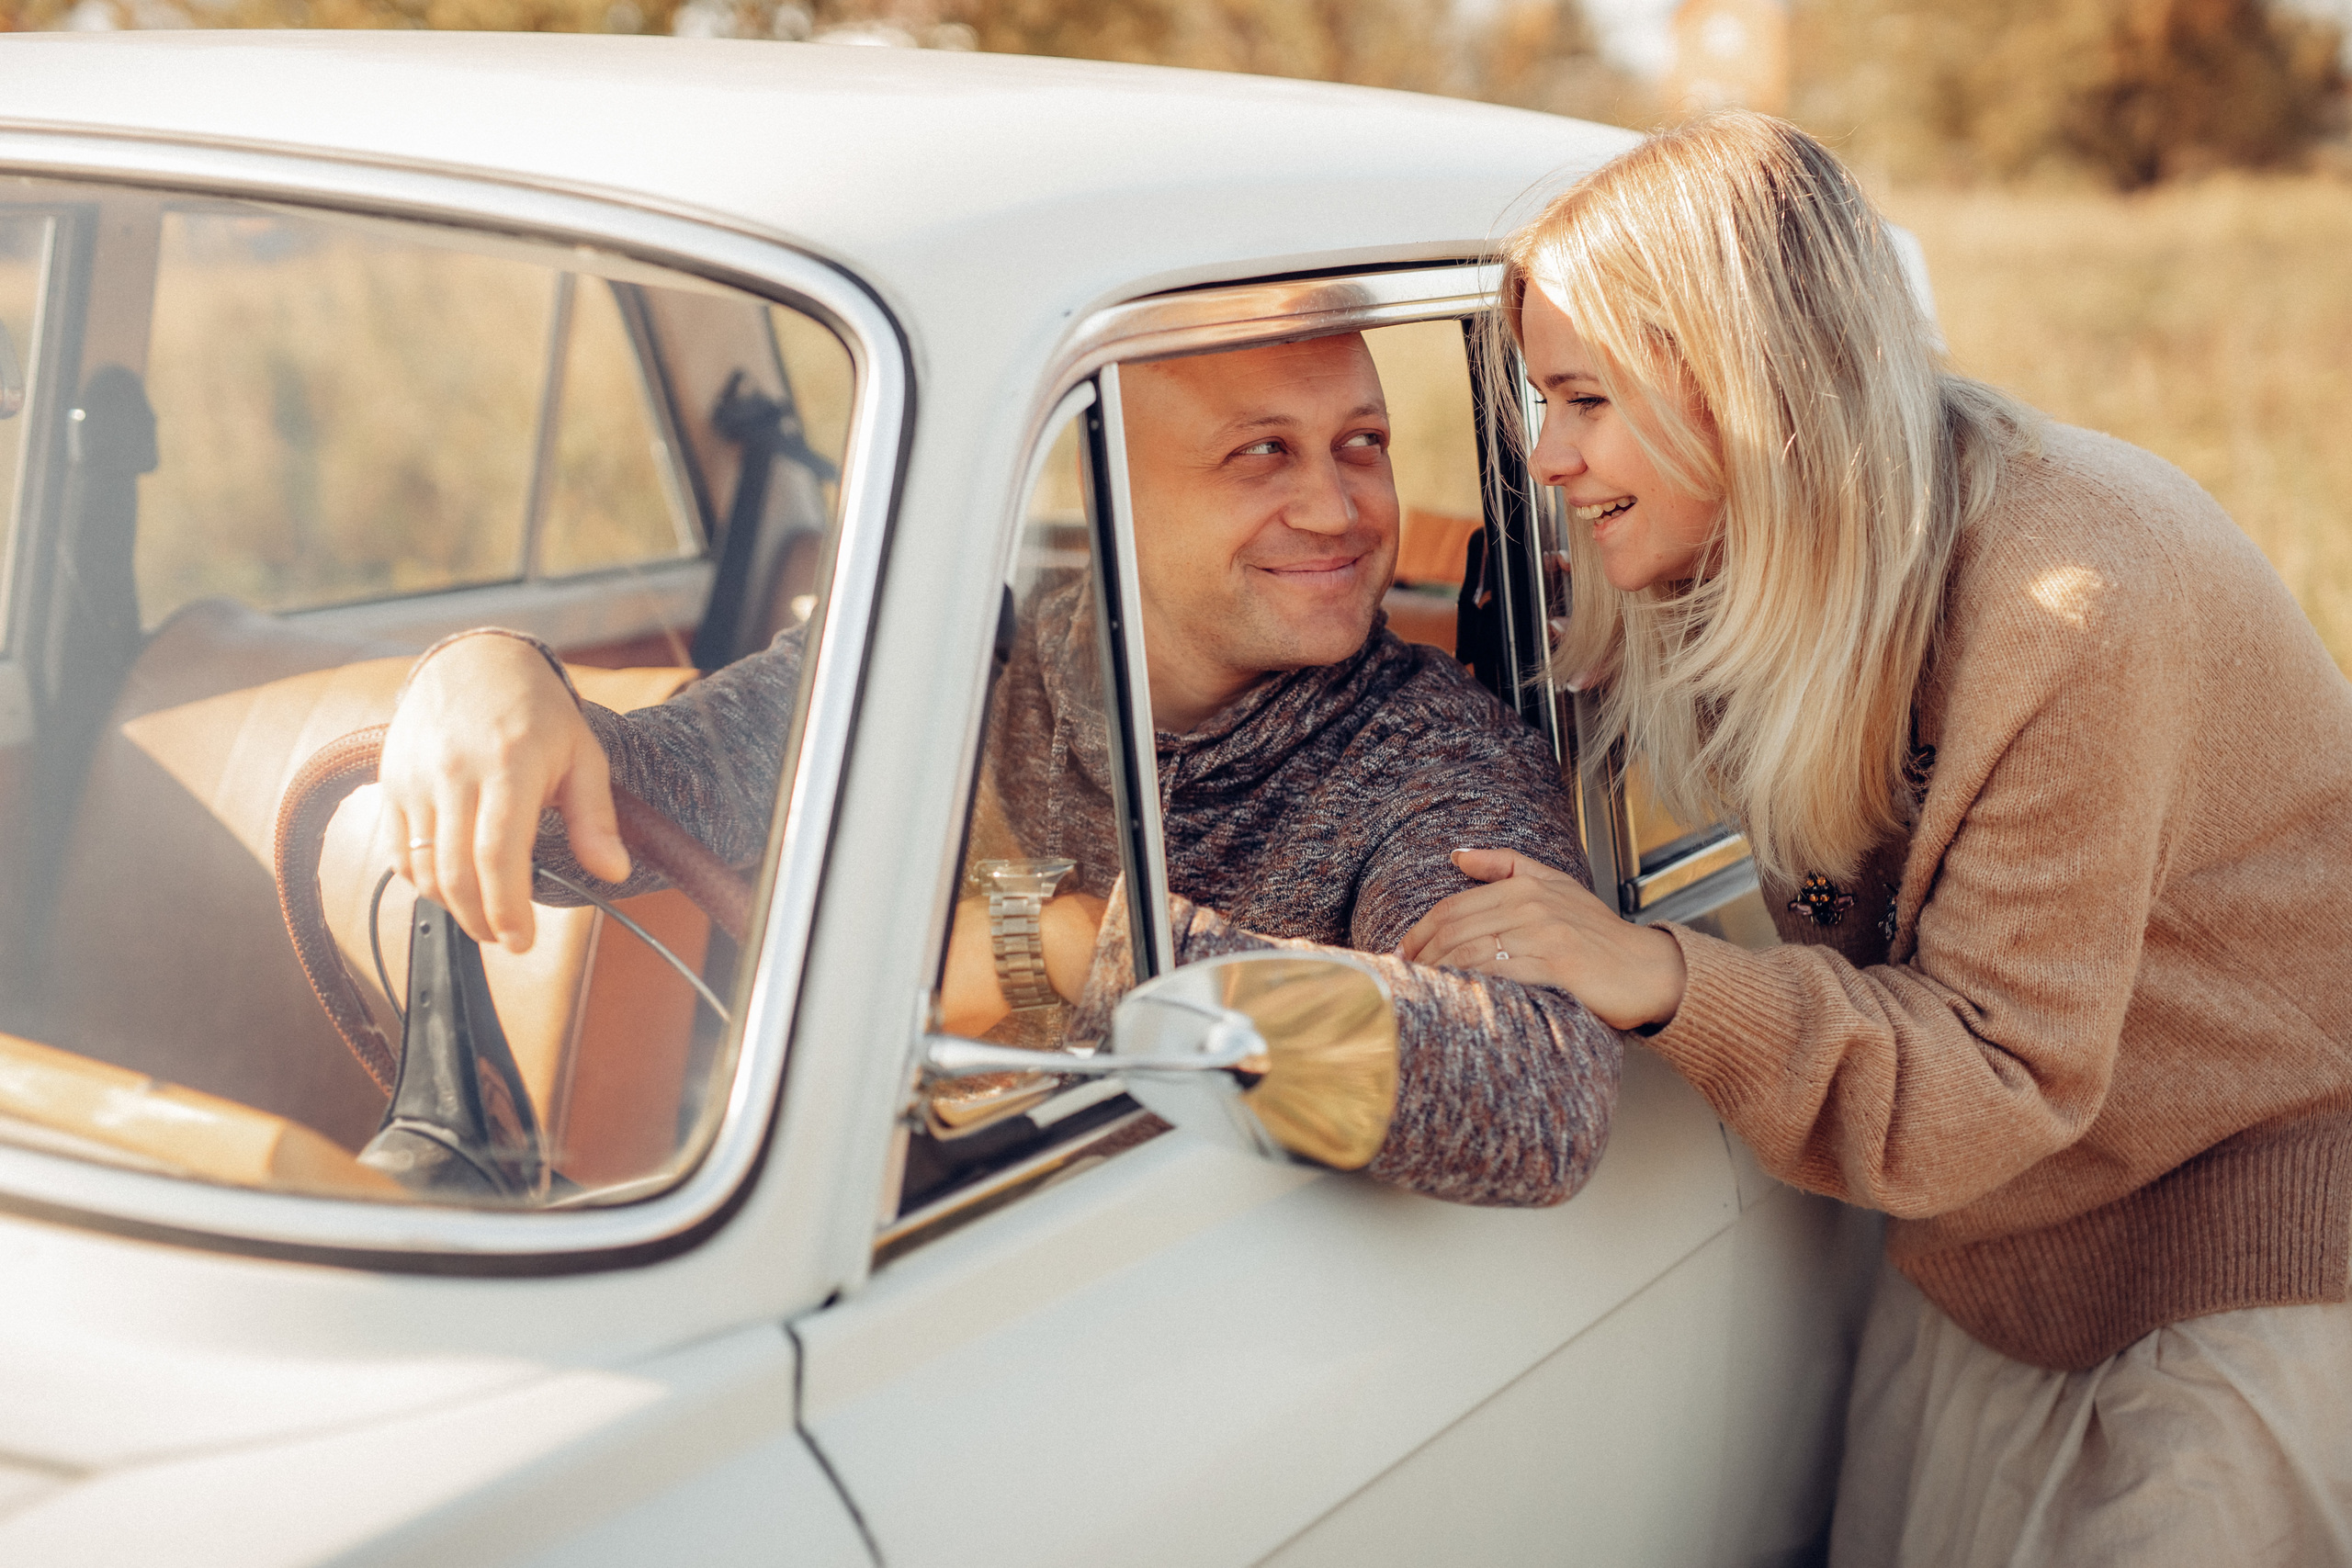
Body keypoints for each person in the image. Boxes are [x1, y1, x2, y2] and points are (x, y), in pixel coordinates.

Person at [1400, 112, 2352, 1564]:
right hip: (1991, 1244)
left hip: (2246, 1231)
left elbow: (1999, 1065)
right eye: (1539, 400)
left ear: (1736, 385)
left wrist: (1660, 975)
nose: (1545, 456)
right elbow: (1519, 639)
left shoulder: (2072, 603)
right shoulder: (1753, 560)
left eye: (1581, 398)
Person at [379, 332, 1619, 1207]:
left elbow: (1542, 1100)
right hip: (877, 1229)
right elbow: (599, 825)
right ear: (1119, 492)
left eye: (1361, 444)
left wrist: (1066, 953)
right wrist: (483, 672)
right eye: (1262, 456)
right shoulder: (959, 657)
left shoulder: (1430, 754)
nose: (1339, 509)